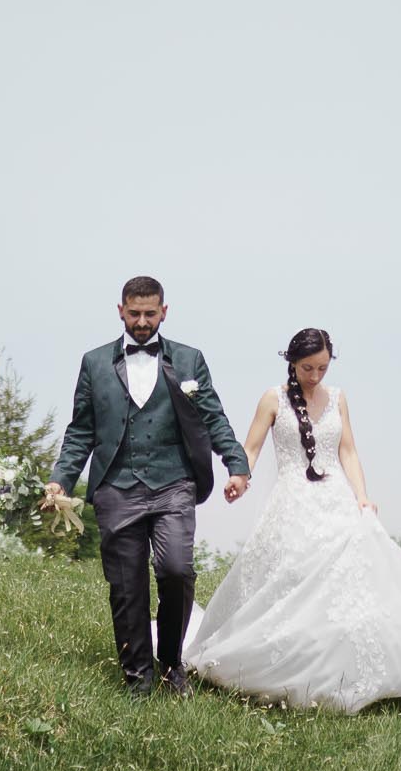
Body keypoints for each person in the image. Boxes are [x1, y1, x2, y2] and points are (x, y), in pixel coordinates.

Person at [182, 328, 401, 713]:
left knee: (346, 585)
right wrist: (241, 477)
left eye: (322, 368)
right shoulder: (273, 399)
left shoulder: (338, 399)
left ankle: (346, 673)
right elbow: (250, 447)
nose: (315, 376)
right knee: (289, 583)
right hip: (291, 504)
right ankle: (281, 664)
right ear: (291, 361)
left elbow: (349, 451)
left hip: (336, 499)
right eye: (308, 368)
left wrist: (362, 496)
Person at [41, 276, 251, 697]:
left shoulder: (190, 360)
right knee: (126, 584)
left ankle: (173, 663)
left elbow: (213, 416)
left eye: (149, 314)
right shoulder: (94, 362)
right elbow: (81, 430)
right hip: (115, 486)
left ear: (164, 312)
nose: (141, 322)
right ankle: (138, 676)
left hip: (174, 481)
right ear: (120, 310)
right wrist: (59, 479)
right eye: (133, 313)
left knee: (177, 569)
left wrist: (237, 464)